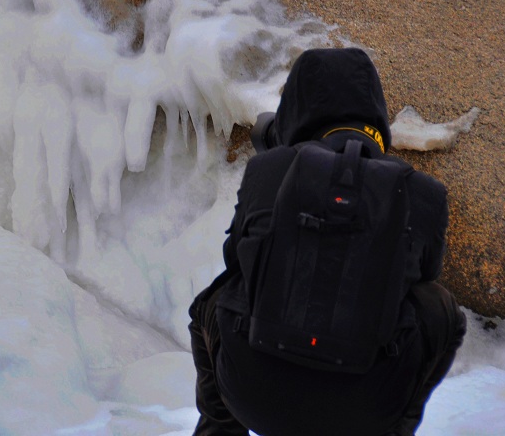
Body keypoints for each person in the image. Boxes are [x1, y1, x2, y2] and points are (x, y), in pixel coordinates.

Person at [189, 48, 466, 436]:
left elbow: (237, 259)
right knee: (442, 310)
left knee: (213, 300)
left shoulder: (268, 170)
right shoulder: (423, 193)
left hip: (254, 397)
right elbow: (423, 279)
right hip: (368, 409)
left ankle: (220, 431)